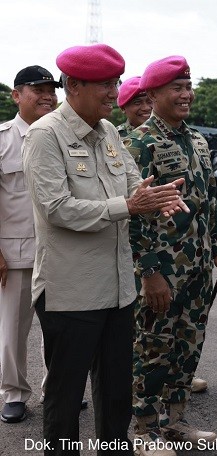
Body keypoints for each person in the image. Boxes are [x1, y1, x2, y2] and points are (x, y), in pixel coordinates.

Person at [22, 43, 187, 455]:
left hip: (118, 290)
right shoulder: (45, 135)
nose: (114, 93)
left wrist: (154, 196)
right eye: (104, 85)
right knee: (65, 396)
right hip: (71, 291)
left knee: (115, 393)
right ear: (73, 85)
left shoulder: (110, 131)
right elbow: (57, 208)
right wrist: (129, 206)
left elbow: (133, 183)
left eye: (115, 82)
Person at [124, 55, 217, 454]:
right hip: (160, 269)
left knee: (188, 344)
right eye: (177, 87)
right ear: (152, 94)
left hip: (198, 266)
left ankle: (176, 422)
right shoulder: (138, 142)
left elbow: (209, 203)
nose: (187, 94)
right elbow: (132, 214)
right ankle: (144, 428)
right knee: (153, 346)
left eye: (189, 85)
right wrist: (149, 270)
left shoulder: (198, 140)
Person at [0, 65, 59, 424]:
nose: (47, 95)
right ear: (16, 95)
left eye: (51, 89)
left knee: (62, 329)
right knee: (12, 330)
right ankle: (14, 393)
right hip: (15, 253)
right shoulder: (3, 139)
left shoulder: (64, 137)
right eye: (37, 89)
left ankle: (58, 388)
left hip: (59, 252)